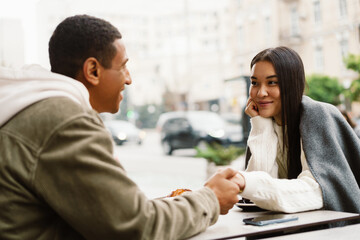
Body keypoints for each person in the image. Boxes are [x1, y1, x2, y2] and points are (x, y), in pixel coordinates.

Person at [0, 15, 244, 239]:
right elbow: (137, 227)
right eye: (123, 66)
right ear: (93, 70)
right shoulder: (65, 121)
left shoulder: (36, 108)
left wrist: (177, 203)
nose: (129, 78)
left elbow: (107, 214)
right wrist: (211, 199)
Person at [233, 46, 360, 215]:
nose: (260, 92)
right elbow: (256, 195)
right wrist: (260, 125)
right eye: (254, 83)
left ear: (292, 84)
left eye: (272, 82)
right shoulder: (265, 123)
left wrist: (246, 183)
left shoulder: (317, 114)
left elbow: (316, 192)